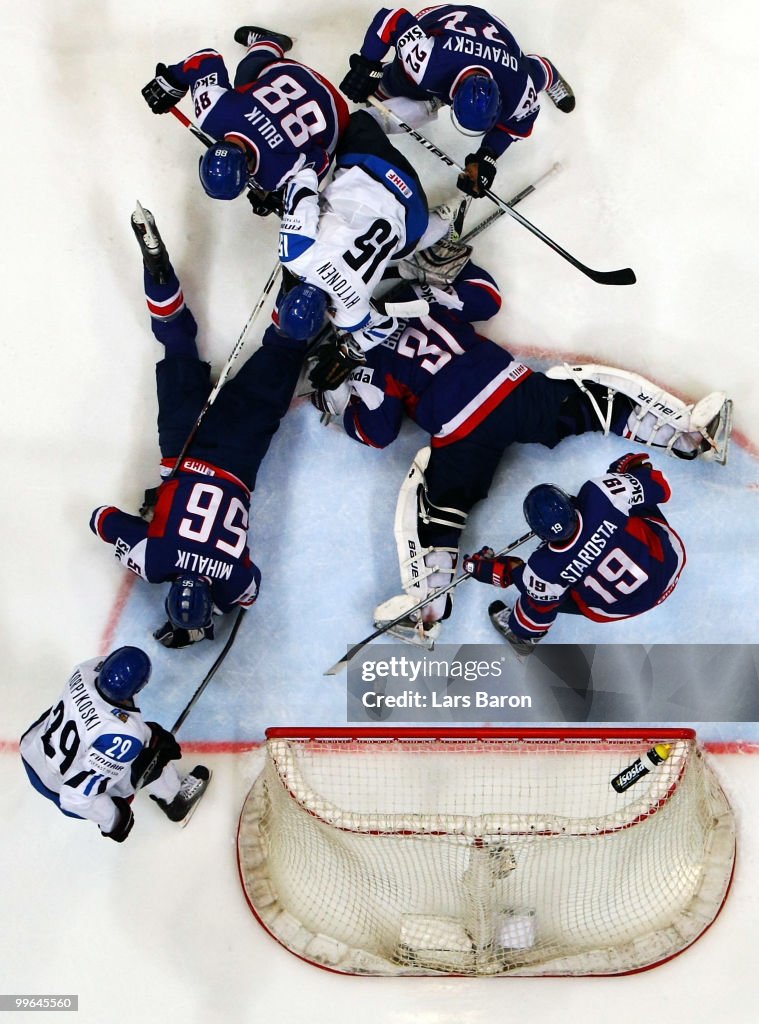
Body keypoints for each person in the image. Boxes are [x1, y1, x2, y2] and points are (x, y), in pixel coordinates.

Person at [312, 257, 730, 644]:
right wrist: (437, 270)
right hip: (508, 387)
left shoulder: (363, 359)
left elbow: (376, 432)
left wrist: (331, 395)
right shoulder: (411, 298)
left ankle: (429, 608)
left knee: (441, 509)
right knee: (585, 405)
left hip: (461, 428)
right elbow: (486, 296)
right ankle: (688, 438)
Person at [90, 204, 310, 648]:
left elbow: (250, 592)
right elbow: (101, 519)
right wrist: (146, 529)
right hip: (182, 445)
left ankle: (304, 276)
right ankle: (158, 265)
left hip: (239, 451)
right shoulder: (155, 562)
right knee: (177, 343)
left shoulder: (233, 586)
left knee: (286, 347)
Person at [278, 108, 469, 388]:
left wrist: (349, 350)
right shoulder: (296, 255)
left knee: (403, 246)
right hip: (373, 165)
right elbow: (301, 183)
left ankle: (446, 215)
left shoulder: (349, 313)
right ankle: (430, 103)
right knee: (360, 118)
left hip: (411, 212)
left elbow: (385, 326)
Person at [339, 5, 574, 198]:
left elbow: (516, 124)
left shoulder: (520, 89)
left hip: (498, 40)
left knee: (535, 72)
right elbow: (392, 20)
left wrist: (488, 155)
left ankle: (548, 70)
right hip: (441, 24)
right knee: (402, 79)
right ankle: (390, 83)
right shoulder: (428, 62)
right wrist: (367, 66)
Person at [462, 454, 686, 654]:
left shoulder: (543, 568)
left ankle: (523, 636)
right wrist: (629, 474)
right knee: (625, 498)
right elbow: (661, 487)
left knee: (540, 598)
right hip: (669, 564)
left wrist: (487, 569)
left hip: (618, 607)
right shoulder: (599, 494)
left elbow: (513, 575)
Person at [141, 25, 349, 211]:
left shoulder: (276, 174)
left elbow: (321, 159)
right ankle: (267, 44)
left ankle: (269, 41)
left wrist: (288, 195)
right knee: (247, 73)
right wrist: (172, 79)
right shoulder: (212, 113)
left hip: (337, 112)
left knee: (318, 163)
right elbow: (206, 60)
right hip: (295, 74)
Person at [19, 647, 210, 840]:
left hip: (34, 751)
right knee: (155, 752)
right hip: (59, 788)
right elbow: (75, 798)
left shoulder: (85, 669)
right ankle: (175, 801)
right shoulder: (122, 736)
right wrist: (115, 821)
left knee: (148, 738)